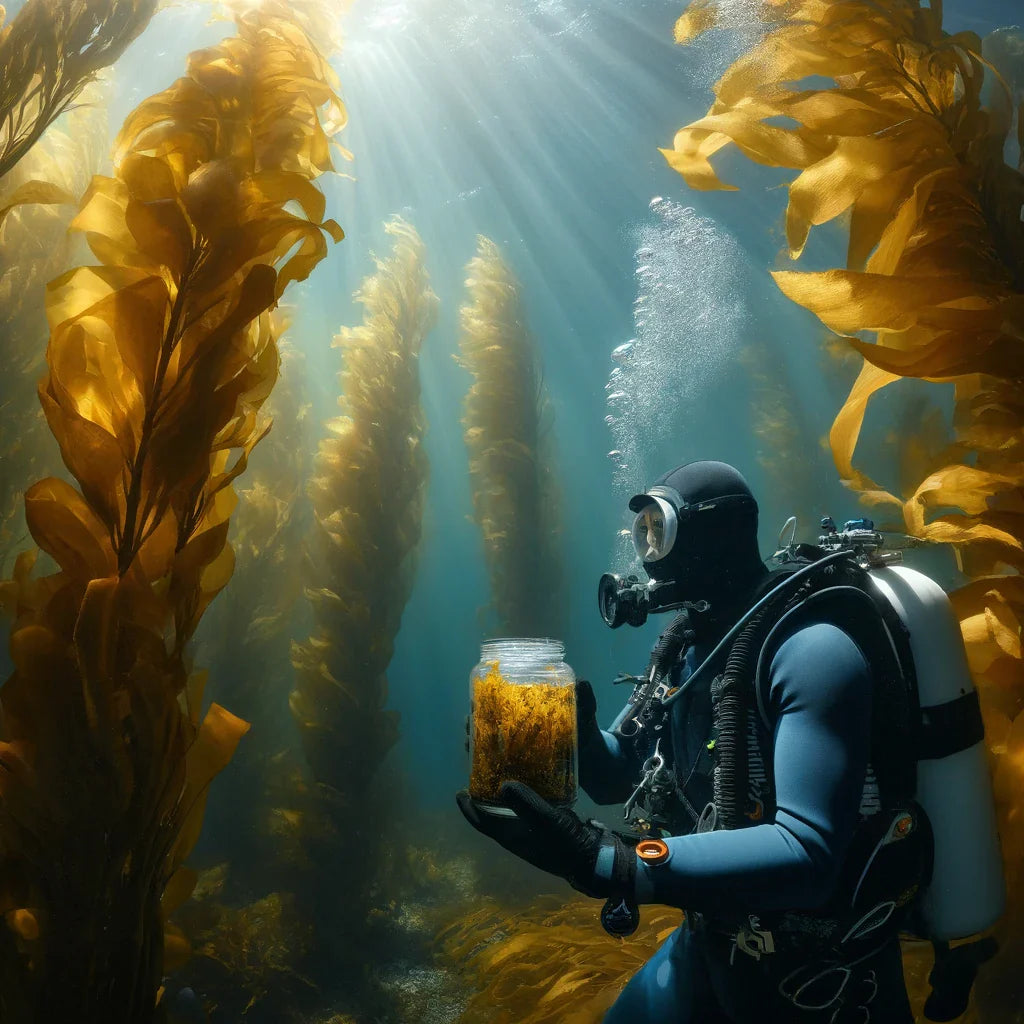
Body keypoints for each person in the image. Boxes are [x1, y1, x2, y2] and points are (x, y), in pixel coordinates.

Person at [457, 460, 936, 1023]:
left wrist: (618, 863)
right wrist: (573, 737)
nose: (647, 554)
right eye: (642, 536)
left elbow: (809, 854)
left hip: (819, 977)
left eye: (659, 530)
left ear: (714, 532)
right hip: (713, 935)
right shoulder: (687, 647)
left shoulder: (813, 652)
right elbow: (617, 776)